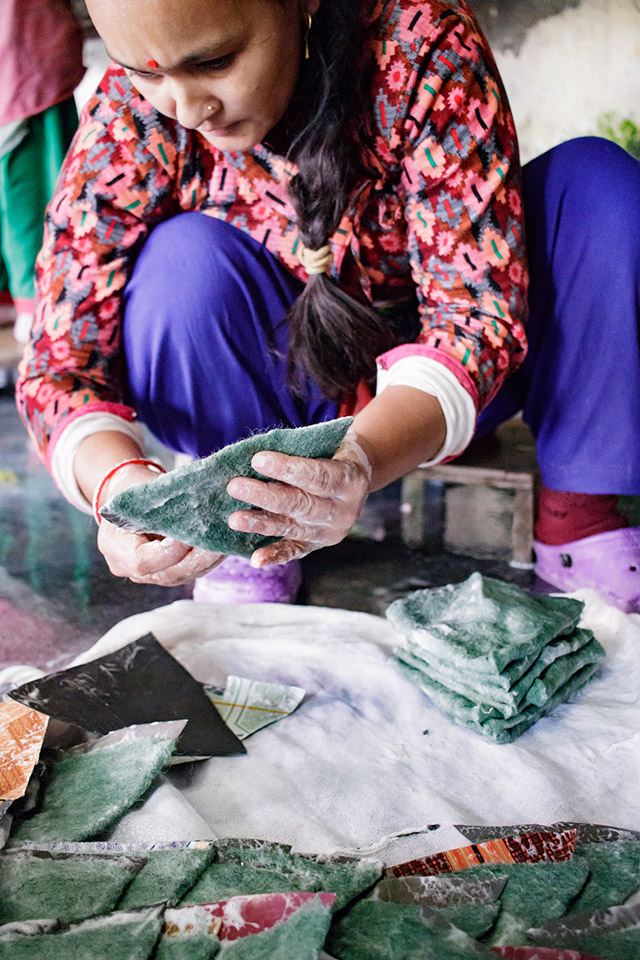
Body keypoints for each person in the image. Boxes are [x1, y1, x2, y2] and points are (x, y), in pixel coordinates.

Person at [14, 0, 640, 612]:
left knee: (594, 186)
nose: (186, 108)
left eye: (215, 61)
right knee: (182, 262)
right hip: (273, 396)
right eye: (146, 73)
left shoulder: (420, 41)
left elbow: (476, 317)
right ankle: (237, 530)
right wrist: (118, 490)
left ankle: (577, 518)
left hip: (445, 393)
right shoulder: (135, 116)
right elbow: (58, 366)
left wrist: (364, 457)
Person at [0, 0, 85, 344]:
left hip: (27, 48)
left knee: (26, 182)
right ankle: (32, 300)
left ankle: (25, 297)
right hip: (22, 54)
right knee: (31, 187)